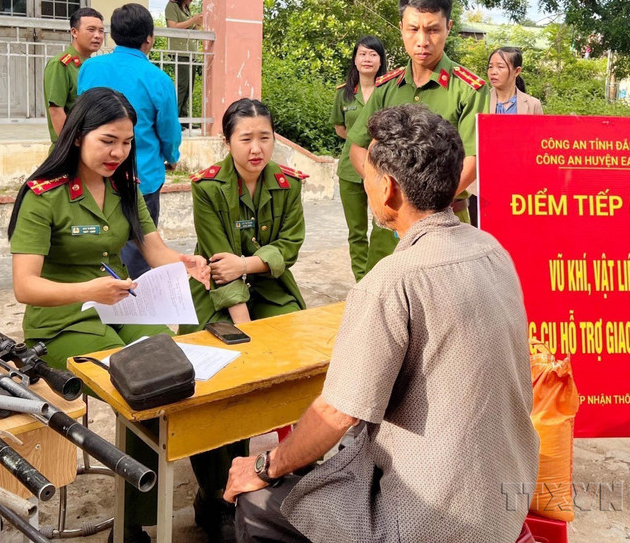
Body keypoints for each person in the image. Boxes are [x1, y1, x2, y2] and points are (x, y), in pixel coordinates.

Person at [225, 105, 539, 543]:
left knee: (256, 505)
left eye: (368, 173)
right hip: (508, 493)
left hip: (428, 518)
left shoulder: (391, 282)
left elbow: (338, 413)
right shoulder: (490, 248)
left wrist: (264, 465)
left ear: (388, 189)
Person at [7, 88, 209, 543]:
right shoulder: (44, 195)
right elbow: (25, 285)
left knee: (168, 368)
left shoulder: (125, 188)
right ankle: (133, 519)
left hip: (120, 303)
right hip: (61, 318)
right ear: (77, 136)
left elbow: (154, 250)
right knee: (135, 379)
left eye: (126, 142)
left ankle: (135, 513)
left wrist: (186, 262)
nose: (118, 152)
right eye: (107, 140)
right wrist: (88, 290)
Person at [183, 98, 306, 542]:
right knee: (221, 378)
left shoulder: (289, 184)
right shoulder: (208, 187)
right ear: (227, 141)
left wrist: (248, 264)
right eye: (246, 138)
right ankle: (215, 494)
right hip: (219, 296)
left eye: (265, 137)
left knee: (297, 361)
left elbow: (289, 245)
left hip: (270, 288)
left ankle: (300, 468)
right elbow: (218, 266)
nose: (257, 148)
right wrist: (245, 328)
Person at [347, 0, 489, 273]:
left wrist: (423, 204)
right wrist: (385, 191)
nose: (422, 40)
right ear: (401, 27)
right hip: (390, 230)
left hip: (445, 228)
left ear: (448, 27)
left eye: (432, 29)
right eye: (413, 29)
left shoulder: (470, 90)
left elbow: (473, 160)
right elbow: (358, 149)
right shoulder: (386, 88)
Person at [77, 3, 182, 280]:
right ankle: (133, 307)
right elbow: (169, 132)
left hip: (93, 177)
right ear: (149, 38)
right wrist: (171, 157)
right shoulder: (158, 79)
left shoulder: (89, 68)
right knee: (139, 252)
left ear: (114, 36)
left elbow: (81, 115)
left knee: (95, 249)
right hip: (141, 178)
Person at [330, 36, 388, 281]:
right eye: (362, 54)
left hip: (382, 169)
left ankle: (379, 278)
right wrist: (358, 147)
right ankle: (361, 280)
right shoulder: (344, 94)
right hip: (350, 170)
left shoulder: (389, 90)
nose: (367, 59)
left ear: (380, 60)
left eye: (373, 54)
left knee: (383, 227)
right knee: (356, 231)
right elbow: (340, 129)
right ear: (355, 59)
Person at [468, 46, 544, 225]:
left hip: (518, 184)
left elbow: (538, 146)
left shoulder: (532, 105)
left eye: (500, 67)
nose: (493, 72)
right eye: (490, 67)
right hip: (481, 185)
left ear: (517, 71)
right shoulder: (479, 100)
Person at [43, 7, 104, 142]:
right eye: (91, 30)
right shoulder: (60, 64)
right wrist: (70, 145)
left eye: (101, 31)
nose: (97, 36)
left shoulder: (91, 65)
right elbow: (56, 110)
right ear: (74, 32)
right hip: (71, 148)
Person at [165, 0, 204, 120]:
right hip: (179, 52)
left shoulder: (186, 8)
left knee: (189, 87)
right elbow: (173, 26)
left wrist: (198, 24)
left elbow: (191, 30)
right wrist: (193, 20)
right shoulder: (172, 6)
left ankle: (184, 118)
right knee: (182, 86)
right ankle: (175, 119)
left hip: (190, 53)